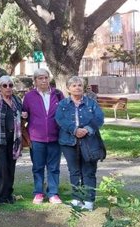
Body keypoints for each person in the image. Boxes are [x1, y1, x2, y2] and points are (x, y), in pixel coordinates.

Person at [55, 76, 105, 211]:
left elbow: (99, 118)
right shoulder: (63, 104)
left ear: (83, 88)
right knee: (74, 171)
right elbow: (59, 119)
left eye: (79, 85)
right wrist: (75, 130)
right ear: (68, 89)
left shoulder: (91, 103)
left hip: (89, 141)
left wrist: (87, 130)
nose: (77, 87)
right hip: (68, 142)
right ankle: (77, 198)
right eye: (74, 85)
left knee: (89, 170)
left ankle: (89, 200)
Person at [22, 68, 64, 205]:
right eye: (40, 78)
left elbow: (64, 113)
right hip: (36, 138)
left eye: (46, 77)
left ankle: (53, 193)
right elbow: (24, 116)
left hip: (55, 137)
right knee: (38, 167)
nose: (44, 80)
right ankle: (38, 192)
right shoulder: (29, 97)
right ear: (35, 81)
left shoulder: (58, 94)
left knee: (54, 167)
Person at [0, 75, 24, 205]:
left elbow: (21, 116)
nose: (8, 88)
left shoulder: (17, 100)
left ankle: (9, 194)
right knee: (2, 168)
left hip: (14, 139)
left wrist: (23, 115)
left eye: (10, 85)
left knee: (11, 168)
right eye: (5, 85)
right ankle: (1, 197)